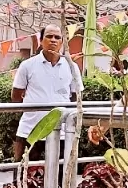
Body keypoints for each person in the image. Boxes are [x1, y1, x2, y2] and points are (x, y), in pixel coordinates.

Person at [11, 24, 83, 163]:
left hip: (61, 131)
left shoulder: (71, 67)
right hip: (30, 130)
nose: (53, 40)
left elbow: (76, 97)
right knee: (24, 175)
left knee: (61, 175)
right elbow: (16, 96)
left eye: (57, 37)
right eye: (49, 36)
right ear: (41, 40)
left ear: (62, 42)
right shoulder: (27, 65)